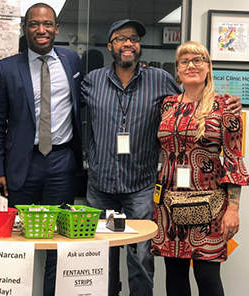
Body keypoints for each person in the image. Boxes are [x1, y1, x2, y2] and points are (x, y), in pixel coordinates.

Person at [81, 20, 241, 296]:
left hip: (146, 188)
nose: (128, 43)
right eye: (121, 38)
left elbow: (198, 105)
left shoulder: (161, 81)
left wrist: (230, 101)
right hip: (104, 186)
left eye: (134, 38)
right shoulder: (91, 80)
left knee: (143, 260)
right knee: (101, 258)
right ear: (110, 46)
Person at [0, 3, 82, 296]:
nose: (40, 30)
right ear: (25, 28)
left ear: (56, 28)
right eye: (33, 24)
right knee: (19, 242)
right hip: (21, 166)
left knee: (58, 241)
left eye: (47, 24)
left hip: (61, 164)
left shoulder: (73, 62)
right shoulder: (6, 68)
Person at [151, 41, 248, 296]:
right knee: (174, 276)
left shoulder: (226, 107)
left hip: (209, 207)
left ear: (208, 67)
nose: (191, 65)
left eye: (198, 60)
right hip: (168, 205)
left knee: (207, 276)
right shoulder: (168, 105)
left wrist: (234, 209)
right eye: (184, 61)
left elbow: (234, 160)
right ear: (177, 70)